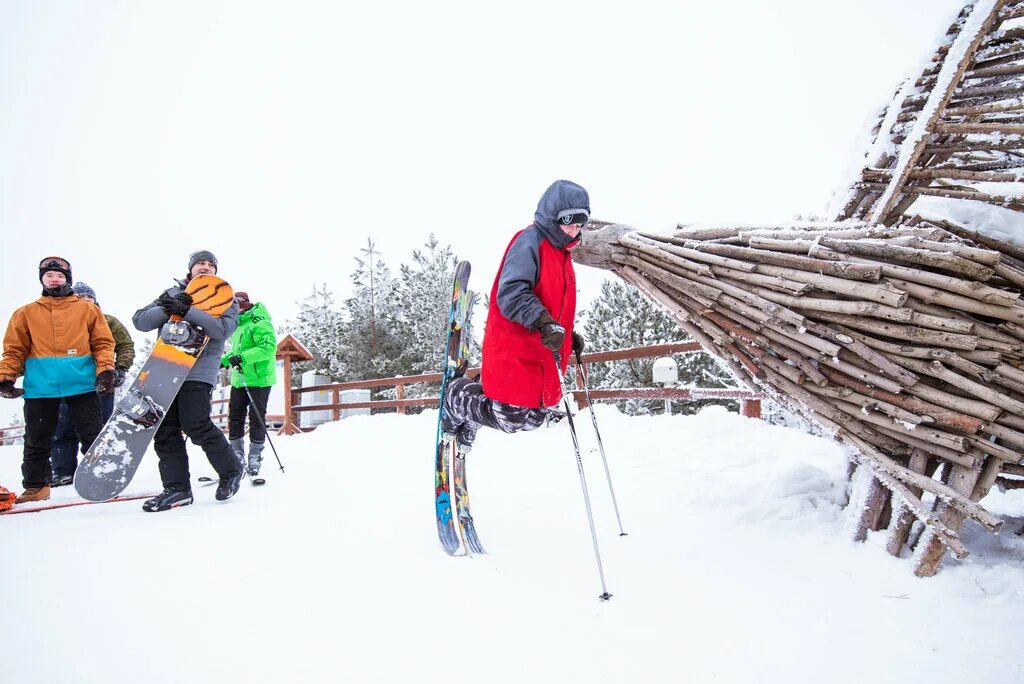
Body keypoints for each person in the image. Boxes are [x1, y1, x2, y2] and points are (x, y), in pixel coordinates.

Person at [441, 180, 589, 448]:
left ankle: (475, 407)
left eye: (579, 225)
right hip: (517, 344)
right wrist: (543, 322)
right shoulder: (530, 241)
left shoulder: (563, 256)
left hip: (542, 352)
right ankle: (456, 397)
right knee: (510, 417)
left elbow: (555, 304)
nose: (573, 231)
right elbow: (511, 292)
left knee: (534, 417)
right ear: (553, 216)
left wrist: (567, 335)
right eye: (569, 222)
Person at [132, 250, 242, 512]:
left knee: (196, 424)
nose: (204, 267)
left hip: (198, 370)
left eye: (209, 264)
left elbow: (221, 330)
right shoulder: (172, 292)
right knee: (164, 429)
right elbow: (140, 322)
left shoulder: (226, 296)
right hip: (165, 368)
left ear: (216, 270)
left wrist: (188, 310)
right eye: (199, 264)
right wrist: (165, 305)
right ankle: (177, 489)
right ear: (190, 268)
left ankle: (231, 470)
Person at [0, 257, 116, 503]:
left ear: (68, 279)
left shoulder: (87, 309)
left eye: (60, 276)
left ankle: (103, 479)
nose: (54, 279)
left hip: (82, 383)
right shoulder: (25, 314)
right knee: (37, 438)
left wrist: (106, 370)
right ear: (42, 279)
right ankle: (36, 486)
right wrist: (5, 377)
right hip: (41, 386)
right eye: (49, 275)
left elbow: (103, 343)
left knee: (92, 434)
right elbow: (14, 351)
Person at [49, 282, 135, 486]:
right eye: (81, 298)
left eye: (90, 298)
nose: (86, 302)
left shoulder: (108, 321)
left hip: (101, 383)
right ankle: (63, 471)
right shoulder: (61, 323)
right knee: (63, 428)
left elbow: (125, 345)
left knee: (97, 430)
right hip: (66, 383)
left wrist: (121, 368)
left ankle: (97, 468)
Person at [220, 291, 277, 476]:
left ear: (244, 305)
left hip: (259, 379)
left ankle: (255, 456)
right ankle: (236, 453)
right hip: (240, 379)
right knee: (235, 415)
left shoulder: (260, 322)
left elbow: (267, 348)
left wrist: (242, 358)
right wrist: (223, 361)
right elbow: (237, 352)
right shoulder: (239, 325)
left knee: (256, 417)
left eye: (235, 307)